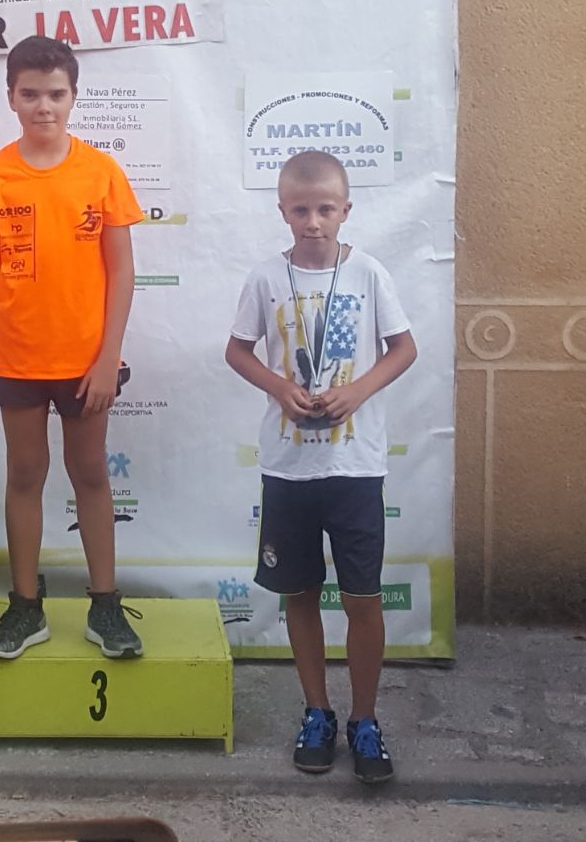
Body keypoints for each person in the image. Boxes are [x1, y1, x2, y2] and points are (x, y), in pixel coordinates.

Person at [0, 36, 143, 660]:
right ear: (11, 98)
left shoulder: (101, 172)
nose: (43, 106)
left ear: (73, 97)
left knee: (90, 474)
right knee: (24, 475)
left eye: (55, 94)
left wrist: (107, 359)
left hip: (87, 362)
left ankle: (105, 605)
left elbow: (122, 273)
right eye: (30, 94)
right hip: (16, 356)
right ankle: (26, 607)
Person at [225, 149, 417, 782]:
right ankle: (317, 711)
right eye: (301, 210)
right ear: (282, 210)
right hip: (289, 470)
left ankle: (365, 720)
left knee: (363, 599)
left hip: (355, 468)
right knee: (300, 596)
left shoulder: (368, 273)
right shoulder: (265, 278)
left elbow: (403, 348)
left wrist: (357, 391)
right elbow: (237, 351)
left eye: (325, 209)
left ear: (345, 210)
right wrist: (280, 388)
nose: (313, 222)